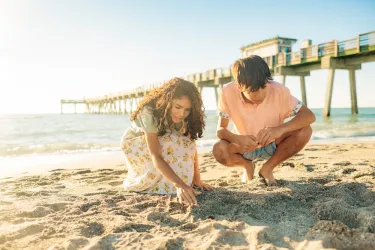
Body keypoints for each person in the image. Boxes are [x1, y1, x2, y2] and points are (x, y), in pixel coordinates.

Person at [213, 55, 316, 185]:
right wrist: (237, 138)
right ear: (239, 86)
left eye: (264, 86)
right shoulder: (227, 92)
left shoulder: (279, 90)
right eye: (254, 90)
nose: (261, 93)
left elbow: (309, 116)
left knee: (305, 130)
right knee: (219, 149)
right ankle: (247, 166)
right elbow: (221, 131)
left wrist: (279, 130)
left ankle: (267, 168)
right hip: (244, 147)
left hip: (274, 144)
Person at [121, 77, 213, 206]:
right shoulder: (150, 111)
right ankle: (153, 181)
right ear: (167, 101)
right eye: (178, 107)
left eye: (187, 109)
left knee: (182, 141)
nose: (182, 114)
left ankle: (170, 182)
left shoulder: (186, 116)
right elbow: (156, 155)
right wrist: (179, 185)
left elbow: (191, 147)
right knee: (169, 142)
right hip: (136, 144)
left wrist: (197, 180)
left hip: (164, 140)